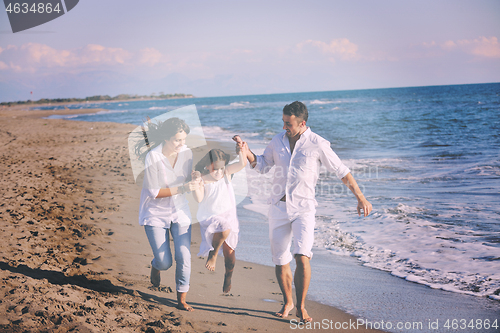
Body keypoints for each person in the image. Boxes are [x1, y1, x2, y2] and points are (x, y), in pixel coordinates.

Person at [234, 101, 372, 323]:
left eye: (288, 124)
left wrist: (361, 197)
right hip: (278, 208)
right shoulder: (277, 141)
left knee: (302, 256)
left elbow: (342, 171)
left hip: (304, 209)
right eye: (283, 122)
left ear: (302, 123)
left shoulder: (317, 143)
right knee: (280, 261)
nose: (284, 127)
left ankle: (300, 306)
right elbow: (261, 164)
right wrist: (246, 151)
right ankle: (288, 300)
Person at [135, 117, 198, 311]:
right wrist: (183, 187)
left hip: (180, 210)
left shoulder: (186, 152)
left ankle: (181, 300)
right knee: (164, 262)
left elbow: (186, 177)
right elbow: (154, 192)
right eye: (177, 140)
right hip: (155, 212)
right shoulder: (153, 157)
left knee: (184, 255)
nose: (182, 144)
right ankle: (156, 266)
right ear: (166, 138)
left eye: (184, 139)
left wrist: (194, 176)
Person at [191, 142, 248, 293]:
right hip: (210, 216)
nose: (219, 172)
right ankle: (214, 254)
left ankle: (228, 275)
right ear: (208, 166)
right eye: (215, 169)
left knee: (230, 255)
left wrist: (241, 147)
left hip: (229, 216)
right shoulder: (203, 179)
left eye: (221, 168)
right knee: (224, 228)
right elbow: (198, 198)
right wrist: (195, 185)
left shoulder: (227, 174)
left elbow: (243, 163)